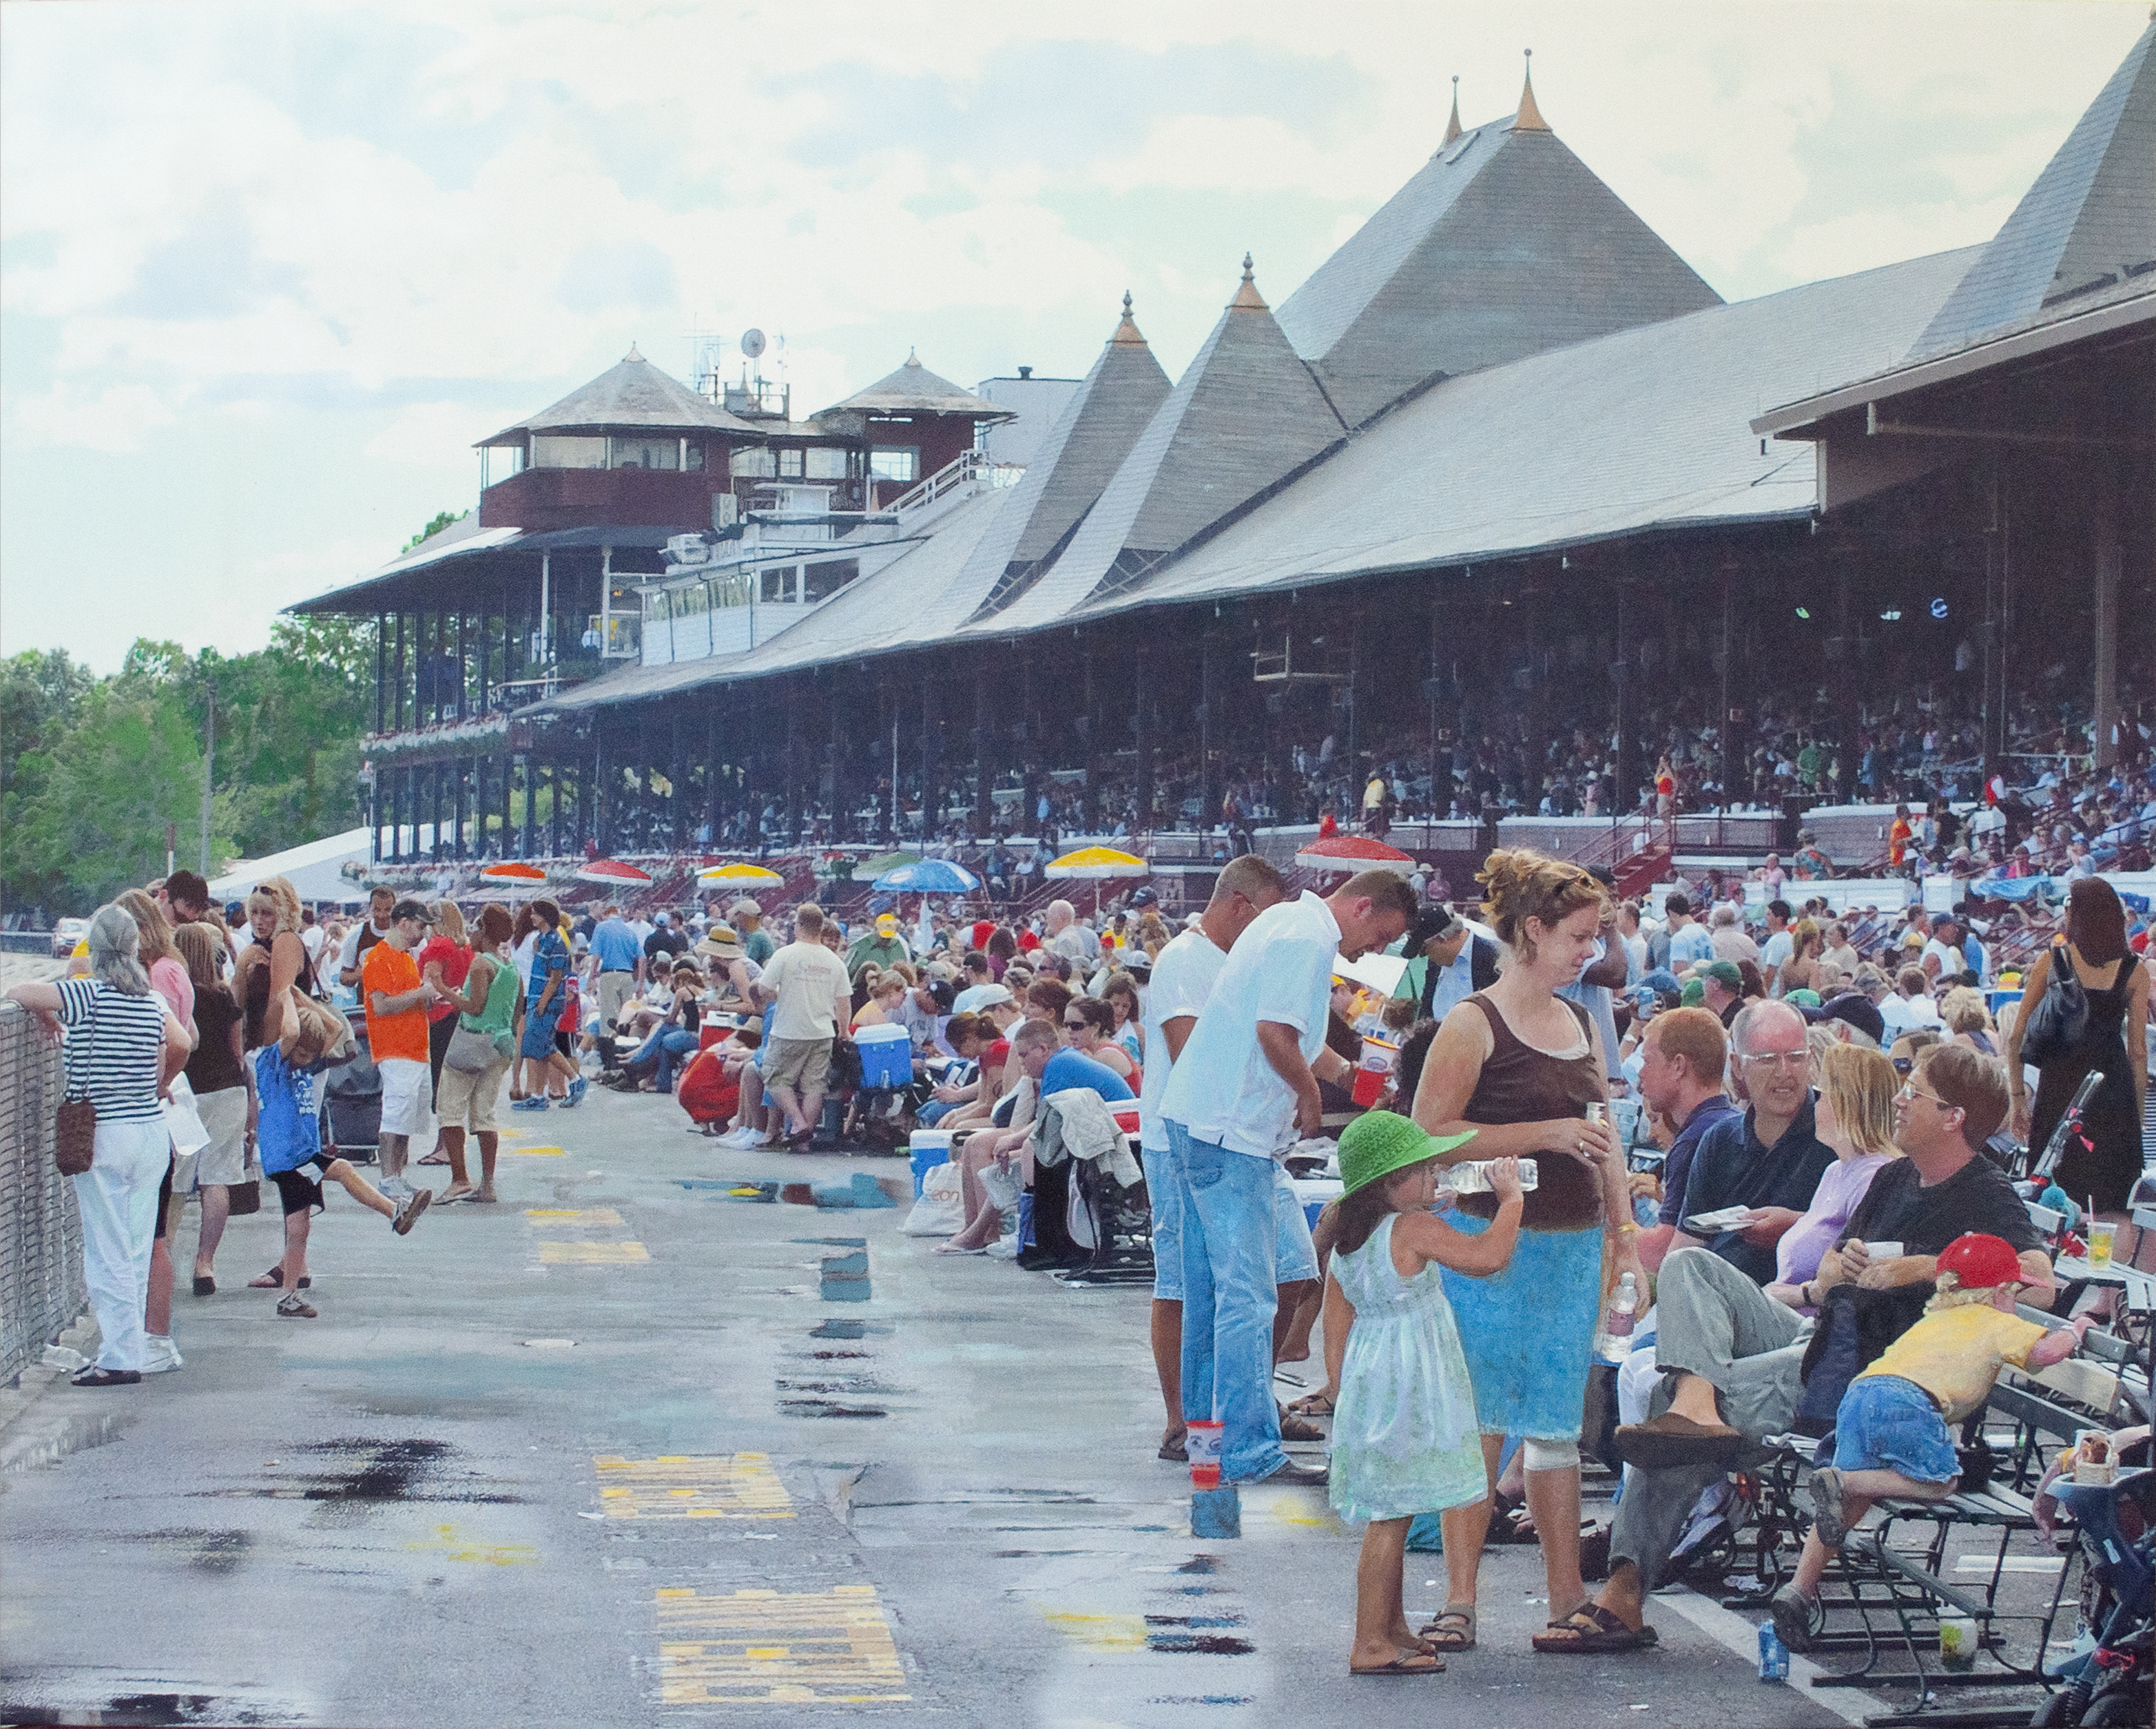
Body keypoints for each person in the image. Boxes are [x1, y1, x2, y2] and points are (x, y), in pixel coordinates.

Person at [1588, 1044, 2049, 1651]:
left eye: (1915, 1093)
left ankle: (1623, 1591)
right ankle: (1696, 1402)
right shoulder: (1894, 1176)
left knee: (1668, 1416)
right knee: (1690, 1268)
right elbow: (1835, 1266)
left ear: (1954, 1117)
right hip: (1820, 1332)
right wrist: (1836, 1268)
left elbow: (2040, 1279)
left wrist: (1922, 1268)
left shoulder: (1984, 1193)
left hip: (1864, 1372)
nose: (1901, 1102)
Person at [1408, 849, 1641, 1656]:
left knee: (1552, 1429)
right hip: (1486, 1246)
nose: (1590, 952)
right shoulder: (1472, 1021)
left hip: (1571, 1247)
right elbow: (1424, 1137)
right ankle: (1460, 1597)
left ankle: (1565, 1592)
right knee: (1477, 1423)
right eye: (1579, 936)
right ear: (1532, 931)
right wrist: (1541, 1134)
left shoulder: (1577, 1020)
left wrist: (1625, 1235)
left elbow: (1603, 1135)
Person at [1163, 867, 1418, 1491]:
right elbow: (1276, 1036)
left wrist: (1355, 1079)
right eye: (1380, 936)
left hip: (1200, 1120)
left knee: (1210, 1297)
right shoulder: (1306, 939)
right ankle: (1247, 1450)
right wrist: (1308, 1096)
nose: (1374, 952)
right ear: (1362, 908)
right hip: (1232, 1132)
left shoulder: (1288, 925)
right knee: (1250, 1296)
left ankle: (1206, 1445)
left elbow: (1300, 1042)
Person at [1770, 1232, 2095, 1650]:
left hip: (1861, 1392)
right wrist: (2078, 1330)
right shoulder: (1999, 1321)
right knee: (1941, 1482)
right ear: (2000, 1292)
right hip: (1909, 1402)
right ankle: (1844, 1480)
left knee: (1853, 1497)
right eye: (2016, 1293)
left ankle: (1799, 1589)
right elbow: (2045, 1354)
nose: (2016, 1302)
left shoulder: (1936, 1319)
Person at [1325, 1114, 1518, 1677]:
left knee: (1398, 1505)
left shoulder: (1349, 1235)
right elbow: (1487, 1258)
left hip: (1374, 1376)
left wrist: (1341, 1388)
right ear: (1390, 1184)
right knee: (1390, 1516)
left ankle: (1391, 1626)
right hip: (1411, 1380)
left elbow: (1336, 1317)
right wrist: (1511, 1203)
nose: (1434, 1176)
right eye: (1422, 1170)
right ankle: (1368, 1642)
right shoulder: (1409, 1229)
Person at [1134, 858, 1290, 1456]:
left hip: (1236, 1137)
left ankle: (1244, 1401)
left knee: (1286, 1276)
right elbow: (1189, 1050)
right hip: (1181, 1137)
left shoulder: (1232, 961)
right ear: (1241, 906)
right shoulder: (1183, 960)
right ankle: (1183, 1419)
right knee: (1183, 1284)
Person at [6, 906, 192, 1386]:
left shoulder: (85, 993)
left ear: (94, 947)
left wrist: (49, 1015)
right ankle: (127, 1350)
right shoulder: (151, 1001)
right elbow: (182, 1043)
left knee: (105, 1248)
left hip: (103, 1133)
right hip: (150, 1132)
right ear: (134, 948)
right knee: (132, 1247)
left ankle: (119, 1356)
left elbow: (19, 991)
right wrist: (159, 1082)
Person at [254, 1000, 431, 1316]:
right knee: (320, 1199)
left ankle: (289, 1296)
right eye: (302, 1054)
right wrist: (284, 995)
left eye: (311, 1055)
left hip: (303, 1153)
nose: (307, 1061)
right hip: (288, 1159)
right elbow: (293, 1030)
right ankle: (394, 1214)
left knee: (304, 1223)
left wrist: (303, 999)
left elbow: (335, 1030)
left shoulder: (305, 1066)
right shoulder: (272, 1064)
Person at [1663, 1002, 1836, 1286]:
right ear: (1738, 1066)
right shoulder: (1719, 1140)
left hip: (1797, 1308)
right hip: (1712, 1300)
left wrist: (1797, 1226)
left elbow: (1863, 1238)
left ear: (1811, 1059)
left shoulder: (1838, 1133)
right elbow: (1687, 1242)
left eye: (1795, 1057)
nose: (1784, 1072)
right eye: (1767, 1059)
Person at [2007, 877, 2149, 1215]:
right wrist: (2137, 1113)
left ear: (2076, 914)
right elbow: (2138, 1052)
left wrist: (2017, 1099)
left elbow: (2015, 1036)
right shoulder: (2135, 971)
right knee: (2114, 1203)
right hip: (2111, 1087)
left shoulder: (2052, 961)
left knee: (2053, 1194)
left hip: (2060, 1085)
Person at [1761, 1042, 1900, 1310]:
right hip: (1785, 1314)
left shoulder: (1876, 1176)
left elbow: (1860, 1280)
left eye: (1821, 1095)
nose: (1814, 1103)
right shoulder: (1835, 1171)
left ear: (1845, 1103)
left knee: (1692, 1267)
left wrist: (1794, 1295)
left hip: (1813, 1327)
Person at [116, 887, 193, 1373]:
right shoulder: (175, 967)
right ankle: (152, 1336)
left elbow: (175, 1038)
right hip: (167, 1112)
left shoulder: (155, 975)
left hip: (148, 1110)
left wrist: (158, 1081)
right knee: (157, 1230)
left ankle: (152, 1335)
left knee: (152, 1235)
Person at [172, 921, 254, 1296]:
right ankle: (205, 1263)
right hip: (229, 1091)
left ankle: (163, 1257)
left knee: (176, 1178)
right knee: (216, 1179)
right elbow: (238, 1054)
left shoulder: (178, 996)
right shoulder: (225, 997)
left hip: (189, 1093)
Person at [1634, 1007, 1738, 1263]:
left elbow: (1661, 1255)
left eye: (1647, 1061)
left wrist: (1614, 1210)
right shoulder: (1734, 1121)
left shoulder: (1694, 1140)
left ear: (1678, 1066)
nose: (1640, 1073)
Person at [433, 902, 519, 1204]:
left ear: (484, 931)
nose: (471, 934)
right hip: (501, 1044)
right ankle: (488, 1184)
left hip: (472, 1042)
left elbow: (475, 1006)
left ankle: (459, 1179)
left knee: (450, 1108)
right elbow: (515, 1009)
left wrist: (443, 990)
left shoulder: (481, 964)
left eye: (475, 928)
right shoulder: (511, 967)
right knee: (485, 1114)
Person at [362, 899, 446, 1194]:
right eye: (420, 926)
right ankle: (388, 1177)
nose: (423, 933)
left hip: (415, 1047)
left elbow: (408, 999)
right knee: (396, 1113)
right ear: (404, 922)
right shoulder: (378, 958)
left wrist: (428, 995)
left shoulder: (407, 957)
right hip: (394, 1048)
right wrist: (420, 993)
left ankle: (396, 1175)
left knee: (408, 1116)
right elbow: (381, 1006)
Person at [756, 903, 853, 1150]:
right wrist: (843, 1031)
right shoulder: (834, 961)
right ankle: (804, 1142)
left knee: (776, 1079)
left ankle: (799, 1124)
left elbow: (764, 989)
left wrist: (779, 995)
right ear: (821, 928)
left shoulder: (785, 954)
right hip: (822, 1032)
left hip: (789, 1028)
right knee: (814, 1086)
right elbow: (844, 1002)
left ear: (799, 926)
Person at [511, 900, 585, 1112]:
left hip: (546, 1001)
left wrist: (543, 1002)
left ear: (544, 916)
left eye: (535, 914)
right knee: (539, 1047)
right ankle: (538, 1094)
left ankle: (575, 1079)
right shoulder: (542, 939)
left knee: (543, 1044)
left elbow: (555, 978)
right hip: (536, 997)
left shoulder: (555, 942)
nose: (532, 917)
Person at [416, 900, 472, 1166]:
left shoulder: (437, 946)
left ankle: (444, 1146)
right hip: (459, 1015)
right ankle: (449, 1145)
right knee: (452, 1082)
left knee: (440, 1081)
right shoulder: (465, 947)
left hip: (439, 1017)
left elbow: (429, 986)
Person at [589, 902, 645, 1037]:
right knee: (625, 1016)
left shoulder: (601, 927)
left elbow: (596, 955)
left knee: (609, 1017)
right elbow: (642, 958)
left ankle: (608, 1049)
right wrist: (640, 985)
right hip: (627, 977)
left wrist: (591, 976)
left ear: (606, 914)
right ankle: (623, 1044)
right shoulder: (629, 931)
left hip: (610, 974)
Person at [1061, 996, 1137, 1088]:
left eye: (1076, 1026)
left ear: (1096, 1028)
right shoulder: (1097, 1051)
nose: (1069, 1030)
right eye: (1066, 1025)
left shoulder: (1106, 1055)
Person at [336, 884, 397, 994]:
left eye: (388, 910)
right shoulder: (356, 934)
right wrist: (356, 976)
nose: (382, 915)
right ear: (370, 906)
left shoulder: (405, 932)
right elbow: (343, 977)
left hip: (401, 1006)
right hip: (366, 1006)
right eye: (377, 909)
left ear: (395, 907)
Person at [729, 898, 774, 965]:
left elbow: (746, 963)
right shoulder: (760, 932)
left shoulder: (757, 936)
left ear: (744, 916)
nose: (735, 920)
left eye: (737, 915)